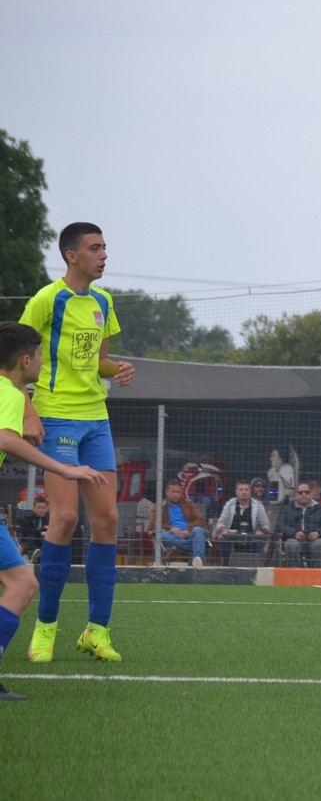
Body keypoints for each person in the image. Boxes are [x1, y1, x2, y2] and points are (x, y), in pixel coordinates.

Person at [19, 223, 136, 664]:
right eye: (95, 247)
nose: (104, 255)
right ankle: (44, 629)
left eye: (105, 247)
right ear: (71, 255)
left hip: (96, 421)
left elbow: (99, 362)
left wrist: (117, 369)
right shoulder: (46, 300)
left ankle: (96, 631)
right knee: (65, 518)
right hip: (56, 416)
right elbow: (12, 362)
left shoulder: (103, 302)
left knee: (107, 521)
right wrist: (29, 411)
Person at [0, 322, 109, 696]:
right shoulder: (10, 395)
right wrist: (63, 468)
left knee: (21, 581)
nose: (44, 363)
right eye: (40, 356)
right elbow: (5, 439)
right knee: (21, 583)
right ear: (25, 360)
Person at [213, 480, 272, 564]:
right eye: (241, 490)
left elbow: (267, 525)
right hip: (232, 539)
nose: (244, 492)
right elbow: (220, 523)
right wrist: (223, 529)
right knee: (224, 540)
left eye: (246, 489)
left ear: (250, 491)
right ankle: (226, 566)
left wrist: (261, 530)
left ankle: (254, 567)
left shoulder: (258, 505)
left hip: (251, 538)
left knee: (258, 542)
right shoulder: (229, 504)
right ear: (236, 492)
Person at [278, 481, 321, 567]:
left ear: (311, 494)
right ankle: (296, 573)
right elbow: (280, 525)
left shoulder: (320, 509)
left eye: (306, 492)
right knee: (290, 544)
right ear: (296, 495)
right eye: (300, 492)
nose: (303, 494)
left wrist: (318, 533)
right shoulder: (287, 509)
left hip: (314, 541)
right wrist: (294, 533)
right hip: (294, 539)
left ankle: (317, 574)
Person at [157, 480, 208, 568]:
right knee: (164, 536)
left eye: (178, 492)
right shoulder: (160, 506)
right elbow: (154, 524)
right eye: (173, 492)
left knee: (198, 530)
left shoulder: (189, 503)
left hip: (189, 535)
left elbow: (200, 520)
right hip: (173, 536)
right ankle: (198, 547)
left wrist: (188, 530)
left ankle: (197, 560)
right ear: (167, 492)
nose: (176, 494)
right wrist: (171, 528)